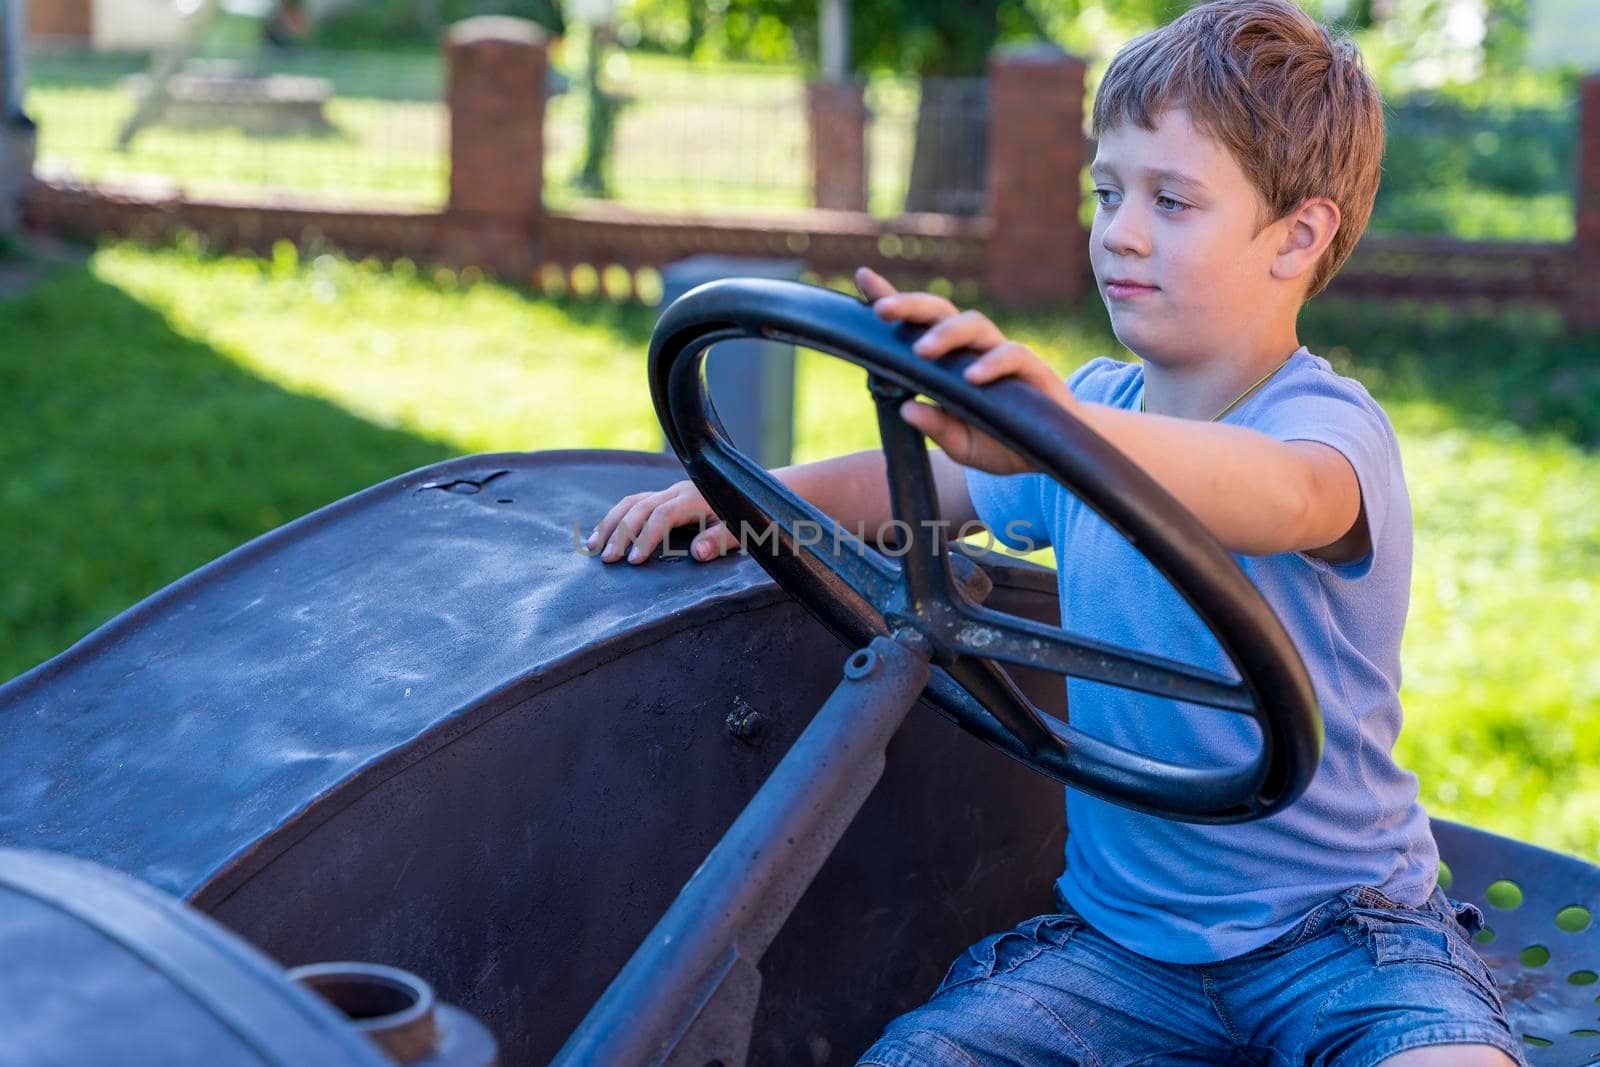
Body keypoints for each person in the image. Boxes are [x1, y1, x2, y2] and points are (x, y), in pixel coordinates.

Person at [586, 1, 1524, 1062]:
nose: (1120, 228)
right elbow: (920, 490)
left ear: (1296, 236)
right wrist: (748, 491)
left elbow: (1277, 495)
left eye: (1172, 200)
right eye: (1108, 191)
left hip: (1346, 941)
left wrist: (1056, 431)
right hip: (1124, 951)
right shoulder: (1087, 412)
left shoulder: (1322, 430)